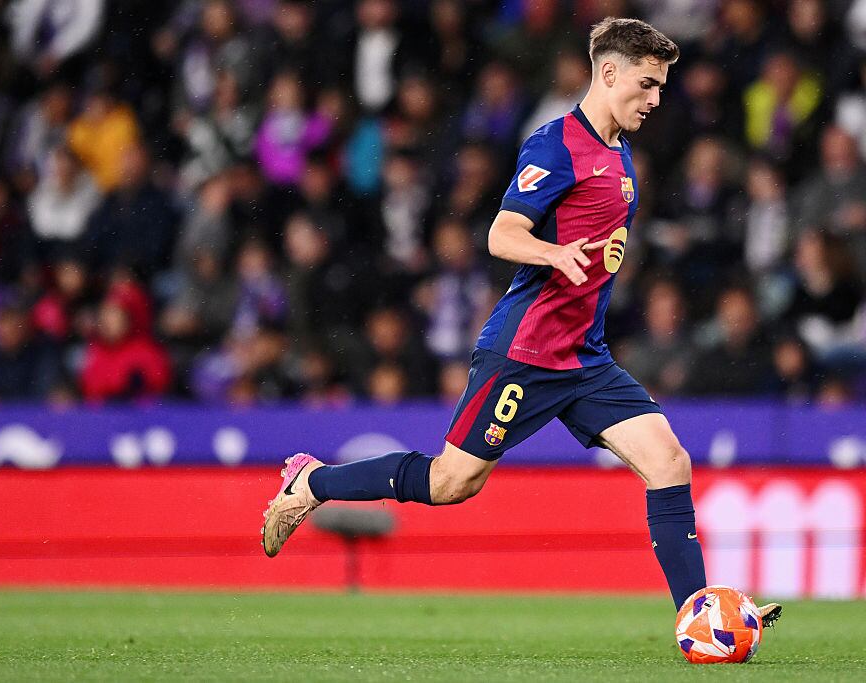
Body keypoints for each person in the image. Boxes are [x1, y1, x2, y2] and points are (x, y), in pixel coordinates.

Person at [260, 16, 781, 624]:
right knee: (452, 482)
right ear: (608, 73)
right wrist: (554, 252)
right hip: (526, 350)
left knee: (670, 462)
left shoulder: (619, 153)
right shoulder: (555, 144)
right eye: (646, 84)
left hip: (584, 356)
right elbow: (502, 233)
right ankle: (313, 482)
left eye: (661, 86)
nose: (655, 98)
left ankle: (698, 616)